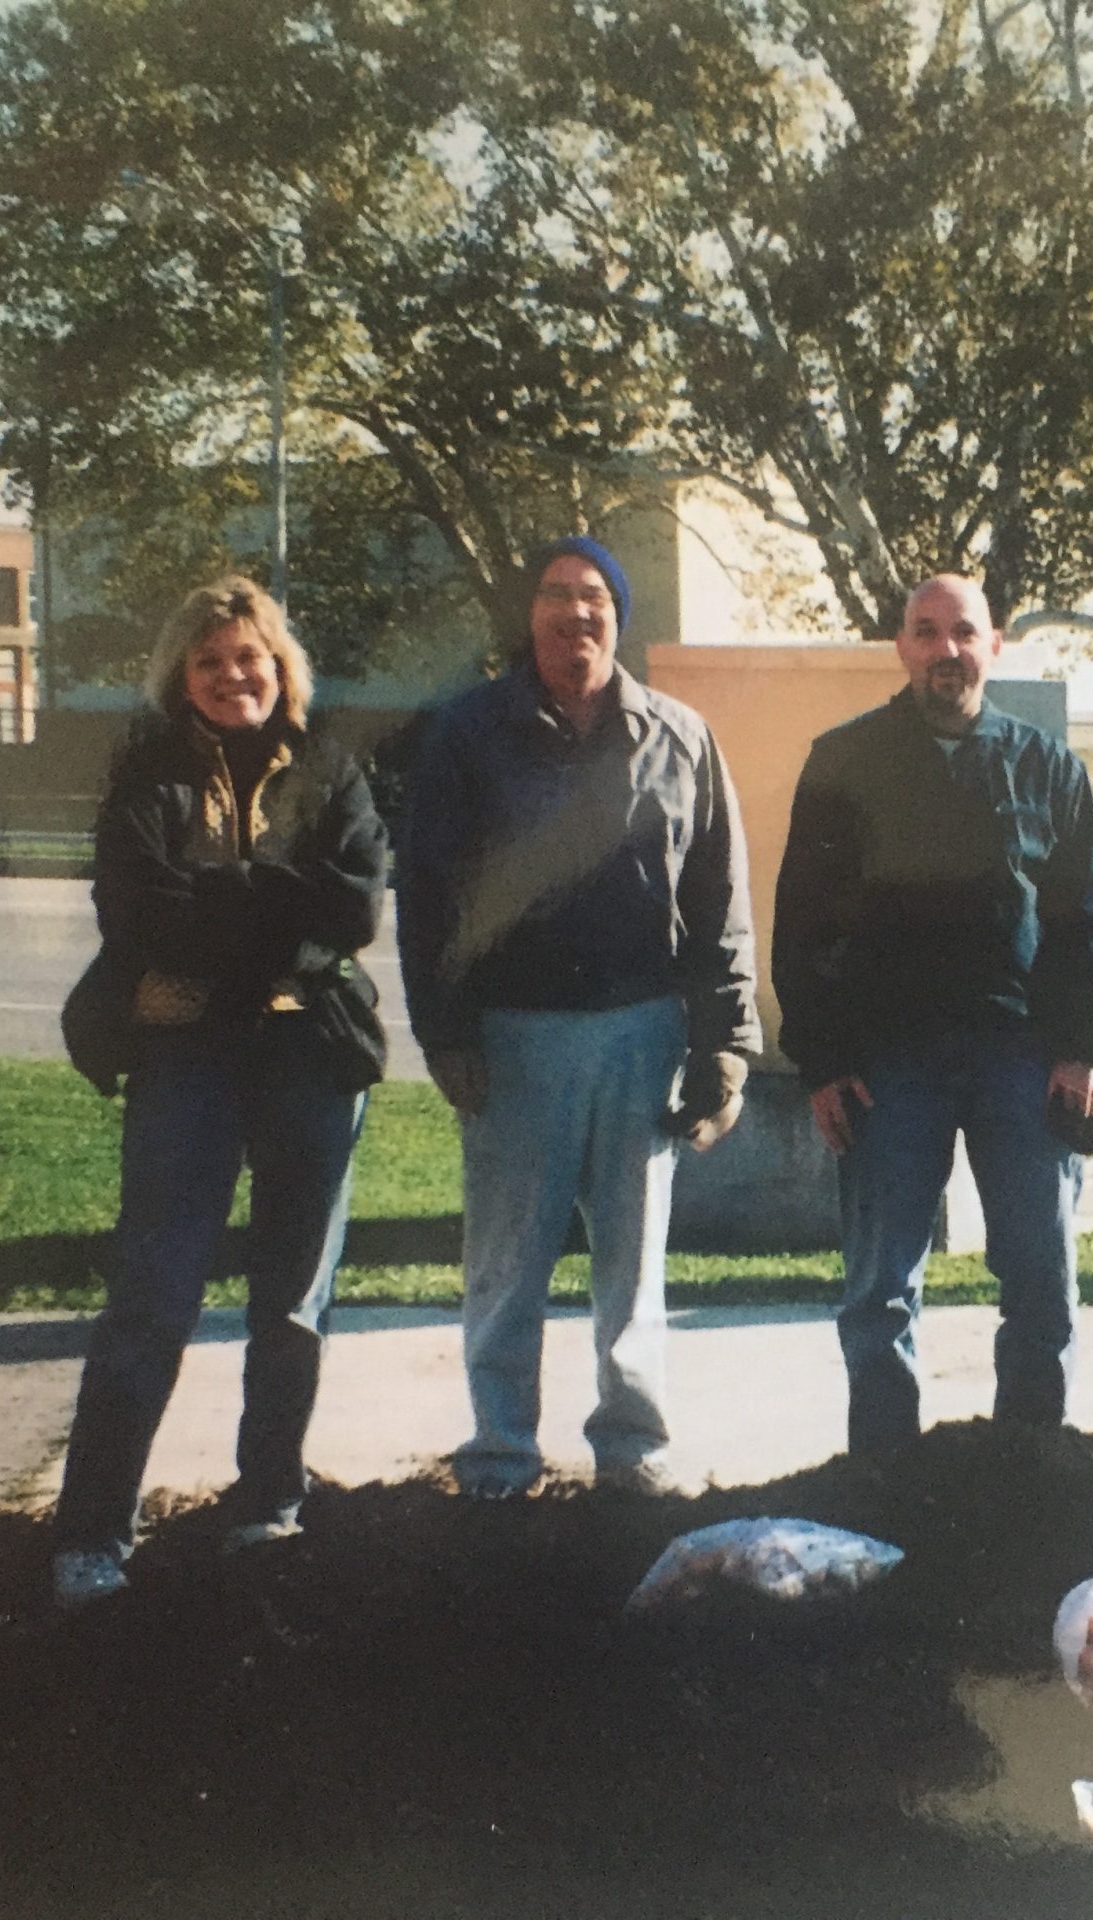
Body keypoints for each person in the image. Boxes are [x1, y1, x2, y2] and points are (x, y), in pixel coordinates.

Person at [51, 578, 389, 1609]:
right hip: (185, 1062)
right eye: (209, 662)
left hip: (307, 1060)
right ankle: (92, 1534)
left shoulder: (330, 765)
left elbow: (354, 908)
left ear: (280, 666)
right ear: (180, 678)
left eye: (249, 657)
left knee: (292, 1303)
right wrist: (279, 908)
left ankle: (267, 1507)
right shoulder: (146, 772)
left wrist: (224, 917)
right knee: (153, 1299)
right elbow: (136, 910)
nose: (233, 676)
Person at [397, 536, 757, 1498]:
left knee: (631, 1270)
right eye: (555, 595)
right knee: (507, 1264)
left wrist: (726, 1045)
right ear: (530, 619)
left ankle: (632, 1451)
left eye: (594, 594)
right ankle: (500, 1454)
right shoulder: (469, 737)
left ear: (618, 616)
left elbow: (720, 900)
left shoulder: (680, 737)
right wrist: (446, 1031)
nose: (575, 612)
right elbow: (428, 897)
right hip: (514, 1040)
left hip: (643, 1034)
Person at [773, 573, 1093, 1455]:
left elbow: (1085, 919)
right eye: (927, 632)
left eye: (964, 632)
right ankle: (885, 1476)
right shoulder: (844, 763)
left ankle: (1029, 1467)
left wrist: (1081, 1050)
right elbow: (805, 925)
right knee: (880, 1292)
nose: (947, 650)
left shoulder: (1047, 767)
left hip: (1023, 1061)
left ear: (994, 645)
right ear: (901, 646)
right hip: (888, 1066)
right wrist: (824, 1062)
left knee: (1040, 1283)